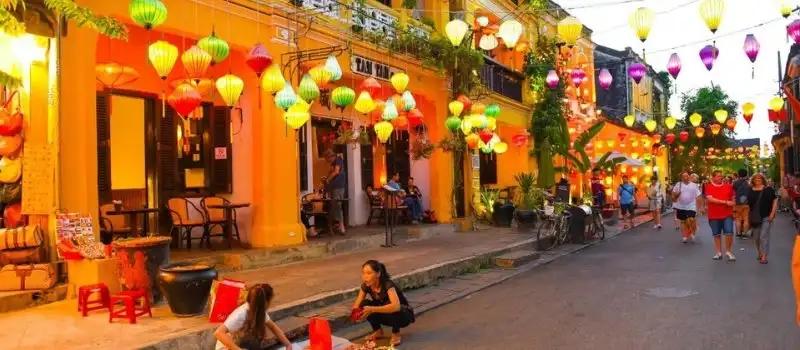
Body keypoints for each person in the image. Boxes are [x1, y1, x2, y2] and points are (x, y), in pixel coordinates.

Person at [353, 260, 415, 346]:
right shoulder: (366, 286)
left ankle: (396, 333)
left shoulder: (388, 285)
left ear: (378, 274)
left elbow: (396, 307)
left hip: (403, 315)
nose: (365, 277)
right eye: (363, 273)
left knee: (392, 305)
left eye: (369, 273)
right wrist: (356, 314)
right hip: (385, 315)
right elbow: (357, 304)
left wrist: (372, 309)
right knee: (364, 304)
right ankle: (378, 331)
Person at [214, 284, 293, 350]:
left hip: (241, 343)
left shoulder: (259, 312)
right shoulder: (241, 314)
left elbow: (273, 327)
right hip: (226, 347)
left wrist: (288, 344)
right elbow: (218, 333)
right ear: (265, 303)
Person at [704, 170, 736, 261]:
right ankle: (718, 252)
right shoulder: (709, 187)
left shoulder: (728, 186)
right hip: (714, 214)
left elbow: (733, 198)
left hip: (727, 214)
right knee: (716, 234)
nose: (720, 178)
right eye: (718, 176)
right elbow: (711, 199)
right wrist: (725, 202)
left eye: (721, 176)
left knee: (729, 232)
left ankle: (728, 251)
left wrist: (733, 207)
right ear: (713, 177)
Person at [748, 173, 778, 264]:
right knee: (756, 237)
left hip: (766, 216)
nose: (757, 180)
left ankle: (764, 256)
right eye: (755, 179)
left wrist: (772, 213)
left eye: (759, 178)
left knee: (763, 236)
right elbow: (748, 205)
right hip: (755, 217)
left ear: (762, 180)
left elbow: (775, 200)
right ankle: (760, 252)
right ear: (753, 180)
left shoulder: (768, 190)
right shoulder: (750, 190)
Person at [672, 171, 703, 243]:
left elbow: (698, 196)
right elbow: (673, 198)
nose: (686, 178)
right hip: (681, 206)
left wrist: (701, 207)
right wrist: (676, 195)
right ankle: (685, 236)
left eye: (687, 176)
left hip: (691, 205)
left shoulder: (694, 185)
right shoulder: (678, 185)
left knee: (691, 219)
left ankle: (693, 229)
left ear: (689, 176)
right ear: (681, 178)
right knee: (683, 221)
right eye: (684, 176)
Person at [324, 149, 347, 235]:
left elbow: (336, 172)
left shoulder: (338, 160)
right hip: (334, 187)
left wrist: (328, 180)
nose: (327, 161)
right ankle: (334, 224)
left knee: (337, 205)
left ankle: (341, 226)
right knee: (333, 205)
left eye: (327, 159)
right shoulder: (333, 163)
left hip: (338, 186)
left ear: (330, 157)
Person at [732, 169, 751, 239]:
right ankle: (745, 234)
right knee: (746, 219)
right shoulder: (748, 183)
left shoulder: (735, 183)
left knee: (738, 219)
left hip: (738, 203)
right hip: (746, 203)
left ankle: (738, 233)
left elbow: (733, 192)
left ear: (738, 174)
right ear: (746, 174)